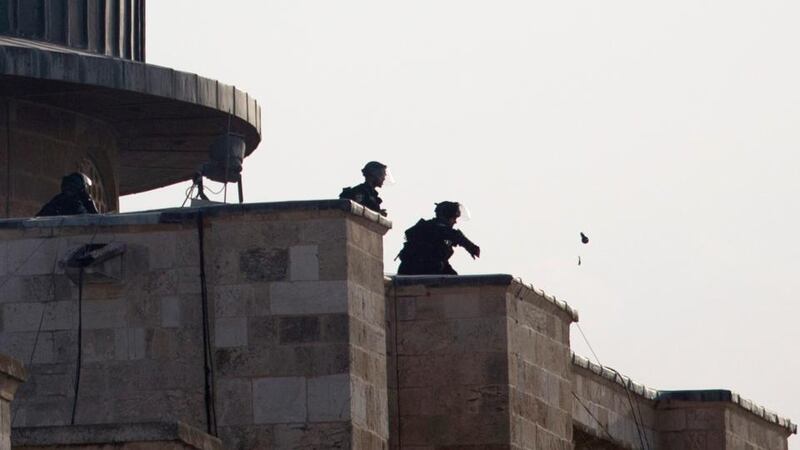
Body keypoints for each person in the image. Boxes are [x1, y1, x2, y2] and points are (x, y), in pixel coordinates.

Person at [397, 201, 480, 275]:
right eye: (454, 218)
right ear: (447, 217)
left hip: (408, 271)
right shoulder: (439, 230)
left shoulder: (426, 227)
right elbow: (457, 237)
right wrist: (472, 248)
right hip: (421, 271)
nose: (455, 222)